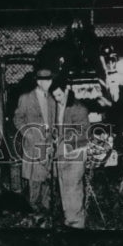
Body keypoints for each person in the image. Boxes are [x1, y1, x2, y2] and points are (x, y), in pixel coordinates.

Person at [12, 66, 56, 224]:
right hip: (33, 143)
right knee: (34, 178)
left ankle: (46, 207)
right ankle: (33, 207)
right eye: (44, 81)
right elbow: (17, 119)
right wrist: (28, 134)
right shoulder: (26, 98)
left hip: (48, 143)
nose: (47, 83)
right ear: (38, 82)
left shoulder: (52, 98)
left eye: (49, 80)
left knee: (47, 175)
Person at [51, 79, 90, 229]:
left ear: (67, 90)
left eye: (60, 95)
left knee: (73, 189)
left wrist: (62, 142)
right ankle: (69, 220)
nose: (57, 99)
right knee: (64, 188)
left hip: (75, 154)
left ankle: (77, 225)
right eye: (55, 96)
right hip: (63, 153)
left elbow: (83, 134)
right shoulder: (60, 106)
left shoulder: (79, 108)